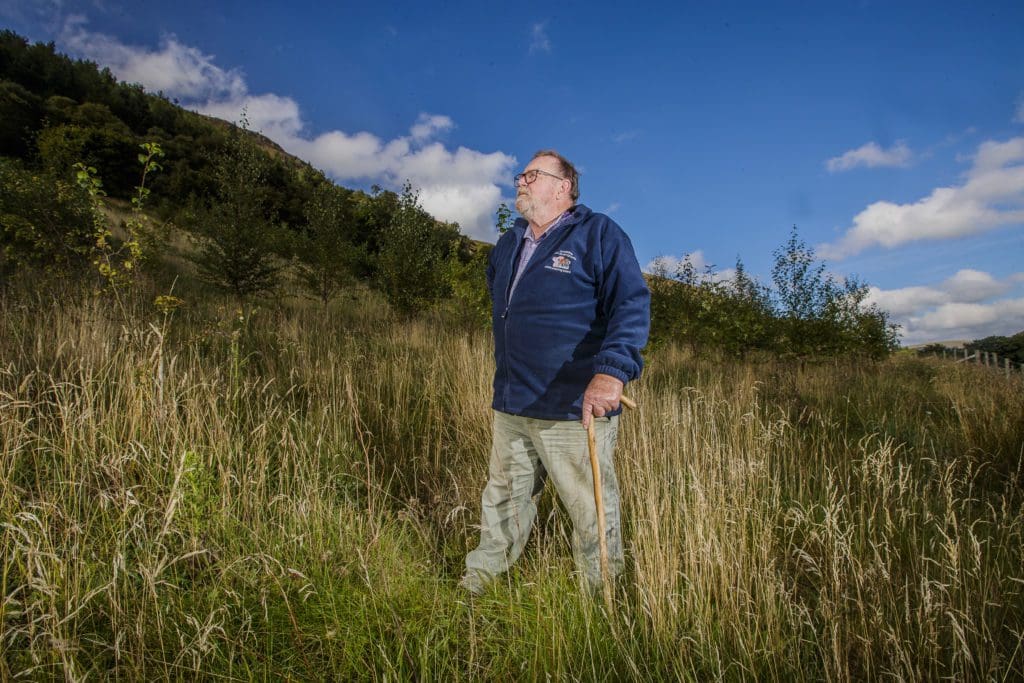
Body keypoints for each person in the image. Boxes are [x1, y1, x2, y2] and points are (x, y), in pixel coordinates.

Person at [461, 149, 650, 595]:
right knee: (503, 499)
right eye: (520, 176)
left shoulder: (598, 233)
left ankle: (600, 595)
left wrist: (611, 372)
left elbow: (631, 303)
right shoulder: (509, 244)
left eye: (532, 175)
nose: (520, 182)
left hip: (572, 405)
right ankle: (480, 582)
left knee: (589, 507)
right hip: (513, 402)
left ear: (564, 186)